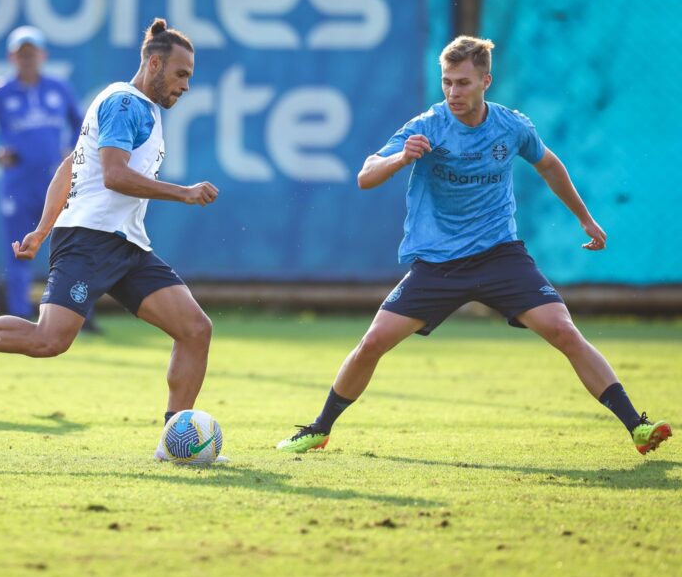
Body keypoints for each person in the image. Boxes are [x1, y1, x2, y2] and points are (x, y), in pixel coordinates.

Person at [276, 36, 672, 456]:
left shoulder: (512, 126)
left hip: (501, 256)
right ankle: (319, 429)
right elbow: (366, 175)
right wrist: (401, 159)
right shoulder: (426, 126)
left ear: (486, 80)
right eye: (446, 82)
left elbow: (550, 165)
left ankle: (637, 428)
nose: (452, 92)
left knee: (564, 331)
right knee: (373, 343)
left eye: (463, 83)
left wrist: (585, 218)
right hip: (438, 265)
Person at [0, 18, 220, 458]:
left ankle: (173, 443)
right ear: (156, 63)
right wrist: (182, 192)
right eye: (181, 74)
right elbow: (113, 175)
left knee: (195, 329)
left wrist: (41, 229)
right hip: (89, 242)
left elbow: (70, 165)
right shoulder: (126, 104)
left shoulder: (135, 106)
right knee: (48, 341)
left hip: (125, 244)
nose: (185, 86)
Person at [0, 26, 97, 330]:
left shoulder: (58, 88)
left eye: (31, 53)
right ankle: (21, 315)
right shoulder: (0, 92)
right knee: (19, 251)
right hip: (18, 184)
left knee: (70, 248)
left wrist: (74, 151)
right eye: (21, 54)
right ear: (12, 56)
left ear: (43, 55)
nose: (27, 59)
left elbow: (81, 122)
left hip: (56, 181)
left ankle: (79, 315)